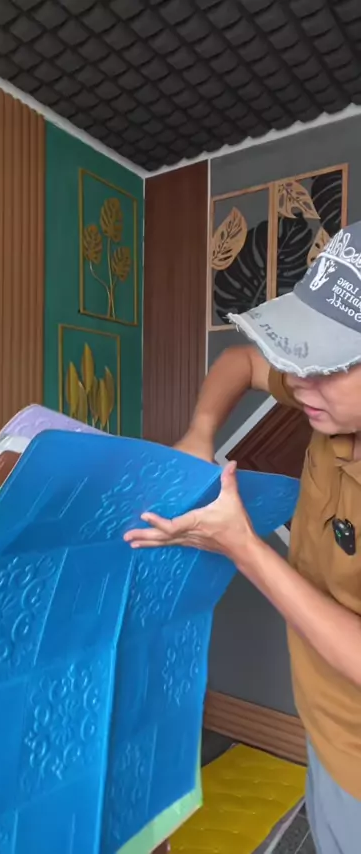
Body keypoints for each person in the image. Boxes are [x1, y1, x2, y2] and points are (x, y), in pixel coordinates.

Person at [125, 221, 361, 854]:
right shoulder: (328, 402)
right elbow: (242, 361)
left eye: (327, 363)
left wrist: (244, 549)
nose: (299, 381)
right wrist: (201, 431)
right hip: (324, 721)